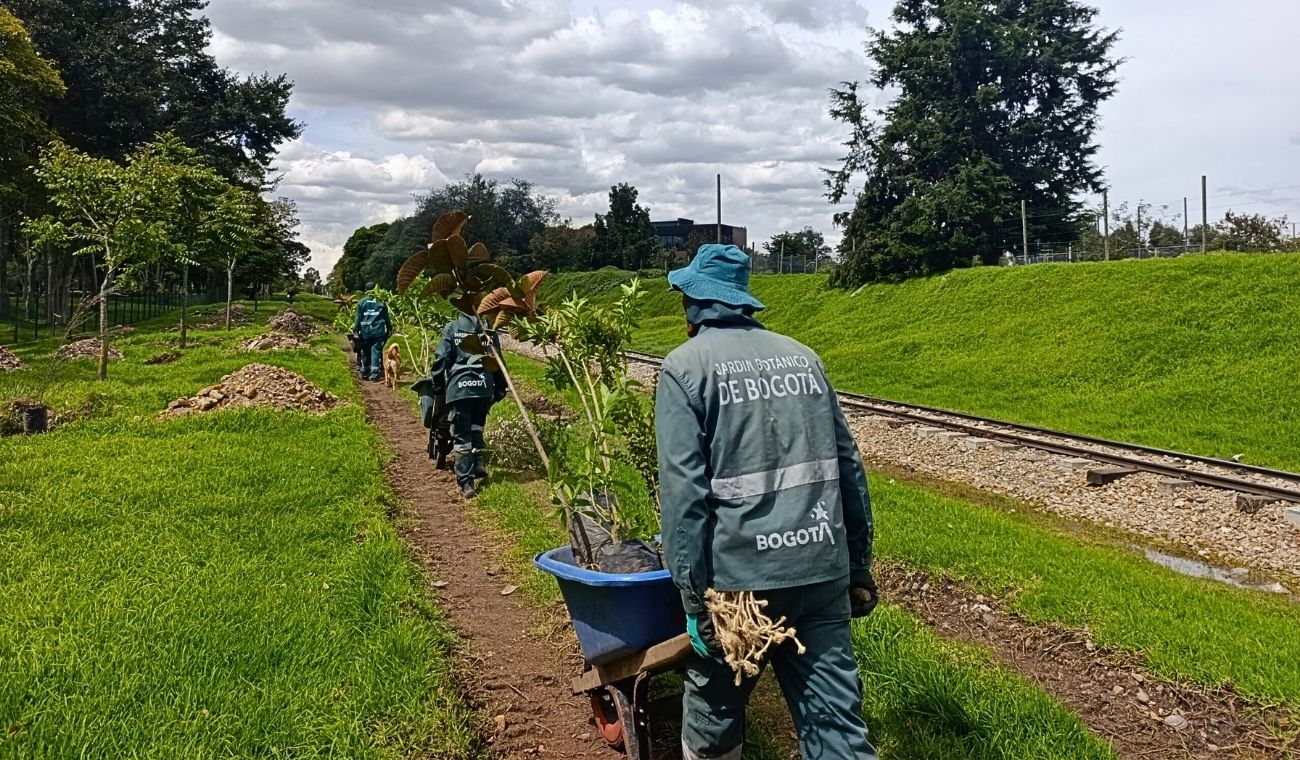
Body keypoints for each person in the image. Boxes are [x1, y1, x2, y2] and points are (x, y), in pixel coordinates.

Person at [655, 244, 878, 760]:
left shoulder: (684, 369)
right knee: (836, 728)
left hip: (740, 592)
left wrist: (694, 601)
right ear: (743, 299)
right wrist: (858, 564)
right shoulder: (805, 358)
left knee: (714, 718)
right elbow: (849, 469)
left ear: (693, 301)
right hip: (820, 570)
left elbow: (684, 498)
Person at [429, 307, 507, 499]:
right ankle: (478, 461)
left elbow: (441, 358)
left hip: (460, 387)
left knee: (462, 434)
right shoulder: (487, 331)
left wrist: (438, 383)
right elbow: (497, 360)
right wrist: (500, 386)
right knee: (477, 427)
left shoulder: (452, 328)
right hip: (483, 385)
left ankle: (466, 482)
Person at [352, 284, 392, 381]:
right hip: (378, 332)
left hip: (365, 332)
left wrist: (355, 330)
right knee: (376, 351)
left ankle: (364, 372)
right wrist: (390, 328)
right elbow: (386, 318)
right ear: (375, 290)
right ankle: (374, 374)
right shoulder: (381, 302)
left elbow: (358, 318)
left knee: (365, 351)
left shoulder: (361, 303)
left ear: (366, 290)